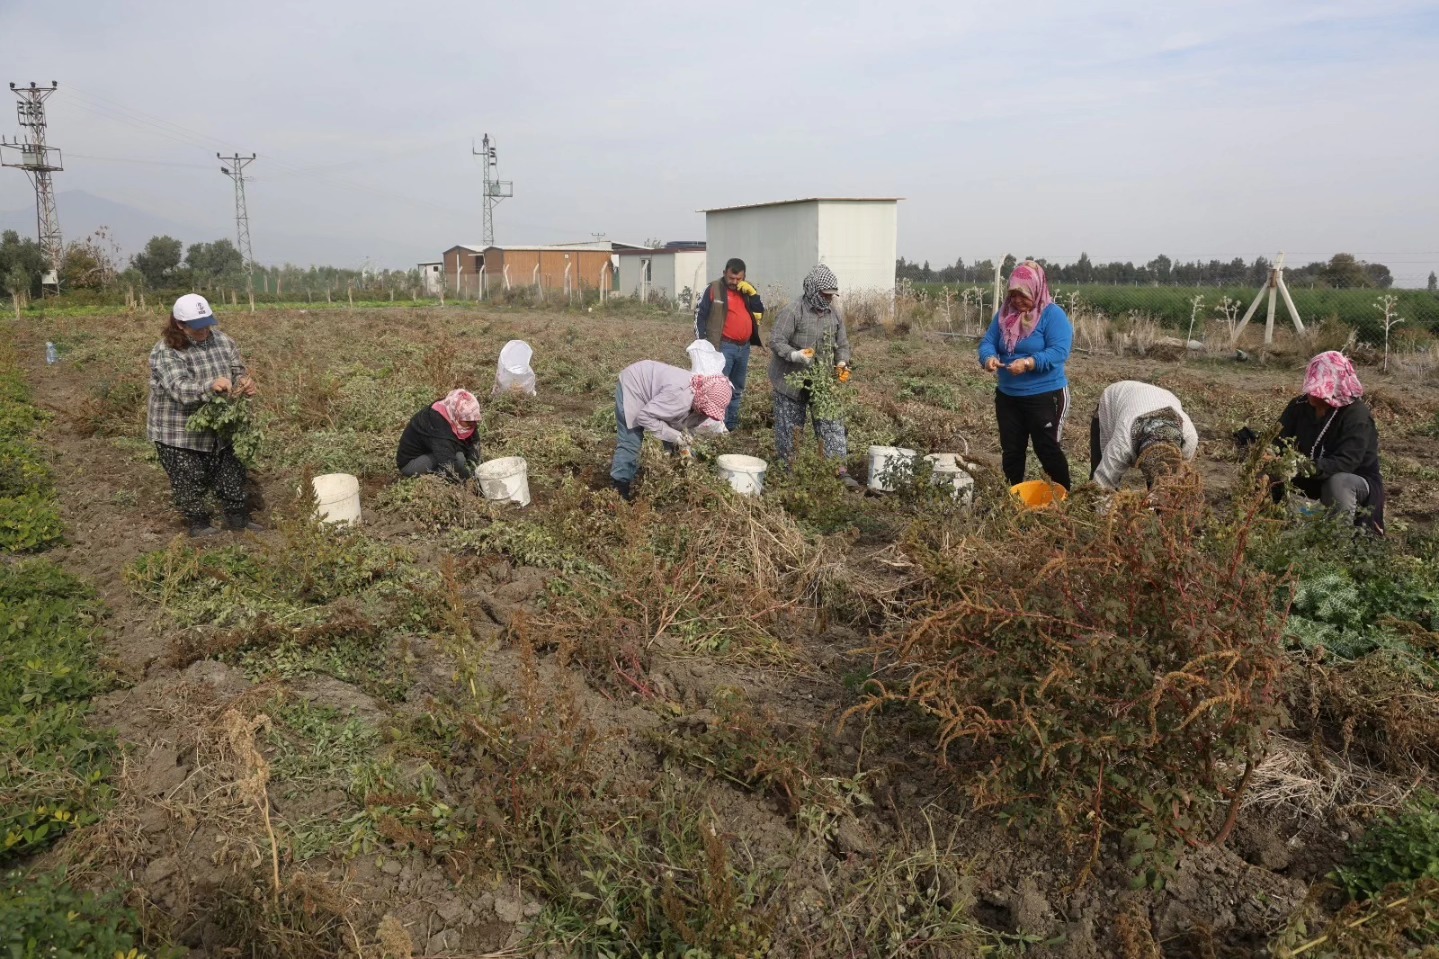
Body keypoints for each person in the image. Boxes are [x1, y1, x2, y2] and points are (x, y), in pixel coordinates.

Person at [147, 293, 261, 537]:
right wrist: (210, 386)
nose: (204, 331)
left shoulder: (223, 341)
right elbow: (179, 388)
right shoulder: (166, 352)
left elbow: (237, 369)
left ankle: (237, 520)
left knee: (232, 473)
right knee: (189, 480)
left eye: (207, 324)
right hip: (179, 433)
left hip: (220, 427)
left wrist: (243, 382)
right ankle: (199, 525)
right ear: (180, 325)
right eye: (197, 328)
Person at [978, 259, 1074, 489]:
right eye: (1013, 294)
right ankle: (1013, 496)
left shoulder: (1052, 315)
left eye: (1023, 294)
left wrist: (1030, 363)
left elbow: (1059, 351)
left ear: (1037, 290)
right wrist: (988, 358)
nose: (1017, 300)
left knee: (1046, 449)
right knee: (1012, 450)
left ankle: (1064, 497)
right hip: (1008, 396)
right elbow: (988, 343)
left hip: (1045, 395)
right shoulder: (1004, 315)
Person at [768, 264, 861, 489]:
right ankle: (789, 473)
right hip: (790, 382)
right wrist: (794, 354)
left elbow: (843, 344)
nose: (829, 299)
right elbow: (776, 340)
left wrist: (841, 362)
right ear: (812, 290)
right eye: (825, 295)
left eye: (831, 295)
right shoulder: (793, 312)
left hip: (821, 382)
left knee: (831, 425)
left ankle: (838, 470)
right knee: (790, 429)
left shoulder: (834, 314)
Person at [1271, 351, 1384, 533]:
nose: (1311, 394)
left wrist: (1304, 467)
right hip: (1311, 475)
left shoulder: (1356, 416)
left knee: (1338, 483)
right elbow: (1278, 439)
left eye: (1318, 390)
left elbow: (1346, 462)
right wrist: (1274, 458)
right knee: (1268, 474)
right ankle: (1267, 527)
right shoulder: (1299, 406)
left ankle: (1336, 541)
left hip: (1353, 481)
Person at [611, 360, 732, 501]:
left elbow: (680, 422)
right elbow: (644, 417)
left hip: (658, 394)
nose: (707, 415)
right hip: (634, 385)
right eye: (708, 410)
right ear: (703, 400)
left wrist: (683, 443)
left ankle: (678, 479)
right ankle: (619, 490)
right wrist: (676, 437)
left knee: (676, 444)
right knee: (631, 442)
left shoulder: (699, 398)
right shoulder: (679, 397)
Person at [694, 257, 765, 432]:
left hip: (744, 347)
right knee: (718, 388)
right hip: (723, 346)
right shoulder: (713, 289)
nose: (734, 282)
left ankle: (731, 426)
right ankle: (716, 425)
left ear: (744, 276)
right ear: (724, 273)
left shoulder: (747, 290)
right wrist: (703, 342)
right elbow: (699, 315)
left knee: (737, 388)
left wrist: (754, 295)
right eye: (731, 278)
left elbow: (760, 310)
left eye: (738, 279)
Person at [1089, 381, 1198, 490]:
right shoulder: (1122, 444)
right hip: (1115, 397)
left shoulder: (1188, 438)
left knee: (1164, 485)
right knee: (1099, 476)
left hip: (1162, 397)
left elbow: (1179, 476)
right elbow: (1101, 483)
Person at [396, 389, 483, 480]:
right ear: (456, 415)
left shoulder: (455, 413)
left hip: (431, 450)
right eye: (468, 421)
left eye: (475, 420)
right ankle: (436, 478)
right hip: (412, 463)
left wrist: (475, 467)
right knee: (458, 461)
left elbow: (474, 442)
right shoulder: (437, 422)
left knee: (460, 458)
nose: (472, 424)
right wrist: (472, 479)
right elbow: (448, 463)